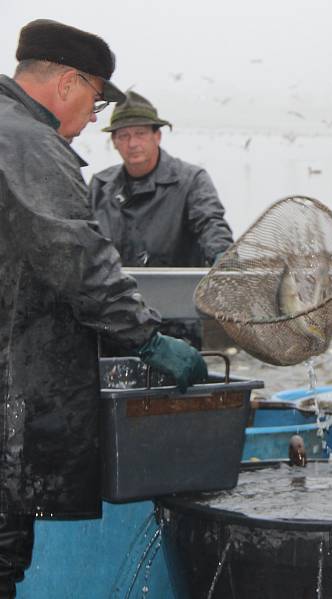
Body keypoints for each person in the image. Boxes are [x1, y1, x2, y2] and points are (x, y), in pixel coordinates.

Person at [0, 19, 207, 596]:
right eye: (95, 100)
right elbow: (78, 256)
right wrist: (146, 336)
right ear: (68, 82)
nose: (96, 118)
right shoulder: (29, 143)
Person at [88, 91, 234, 348]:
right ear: (114, 142)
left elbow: (210, 221)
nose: (133, 143)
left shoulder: (191, 180)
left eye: (141, 133)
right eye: (124, 135)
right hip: (116, 320)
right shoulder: (100, 186)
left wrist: (223, 255)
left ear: (158, 135)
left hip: (177, 322)